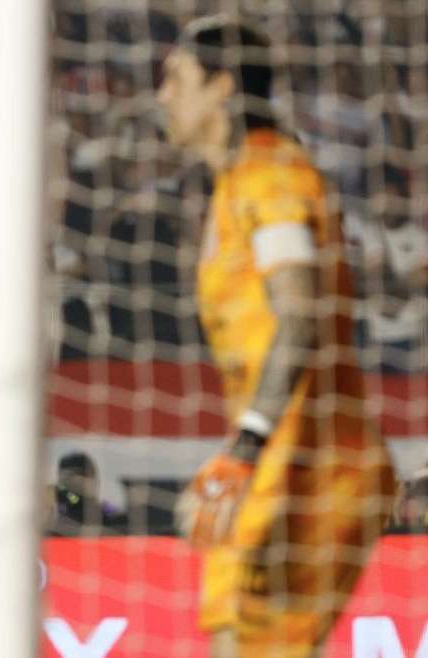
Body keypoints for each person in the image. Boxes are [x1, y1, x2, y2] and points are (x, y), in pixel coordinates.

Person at [158, 16, 396, 658]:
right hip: (279, 465)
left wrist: (246, 443)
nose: (161, 95)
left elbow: (299, 313)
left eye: (176, 78)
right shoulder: (236, 185)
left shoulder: (272, 176)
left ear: (223, 88)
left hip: (309, 471)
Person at [48, 452, 125, 536]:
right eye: (65, 481)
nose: (72, 487)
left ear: (95, 481)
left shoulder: (110, 516)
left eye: (81, 478)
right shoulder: (54, 519)